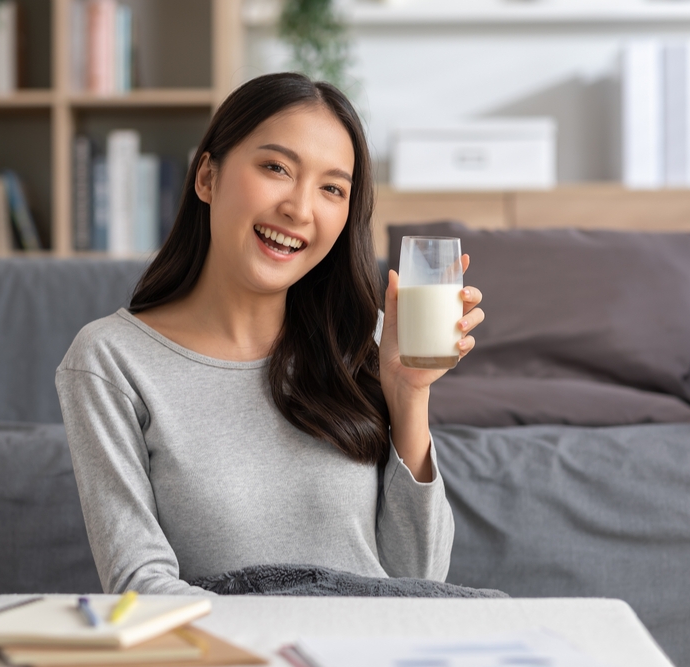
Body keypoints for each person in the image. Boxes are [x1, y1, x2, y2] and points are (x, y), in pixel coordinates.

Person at [55, 72, 485, 595]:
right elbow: (140, 586)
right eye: (276, 168)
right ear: (207, 178)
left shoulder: (360, 341)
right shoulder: (110, 361)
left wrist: (408, 396)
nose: (300, 209)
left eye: (332, 188)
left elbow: (418, 582)